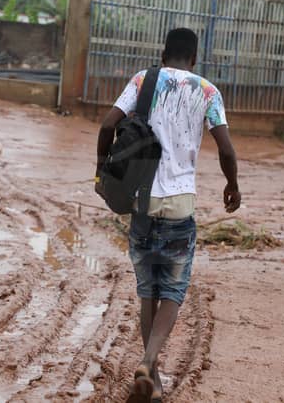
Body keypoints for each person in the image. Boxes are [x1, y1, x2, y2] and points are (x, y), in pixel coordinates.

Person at [95, 28, 241, 402]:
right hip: (179, 206)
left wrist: (101, 172)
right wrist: (232, 185)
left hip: (142, 201)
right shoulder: (207, 91)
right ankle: (148, 364)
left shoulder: (144, 80)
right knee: (173, 290)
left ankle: (153, 378)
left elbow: (108, 124)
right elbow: (226, 148)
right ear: (194, 58)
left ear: (163, 54)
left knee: (148, 292)